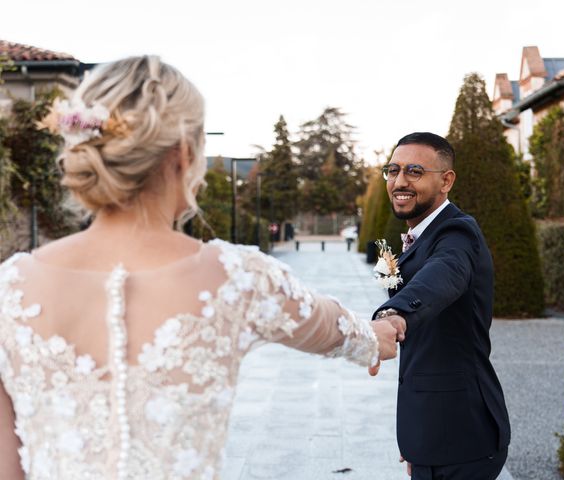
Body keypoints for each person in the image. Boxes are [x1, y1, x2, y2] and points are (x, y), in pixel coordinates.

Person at [0, 56, 401, 479]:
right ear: (185, 153)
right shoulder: (234, 276)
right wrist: (374, 338)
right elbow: (326, 325)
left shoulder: (11, 287)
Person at [372, 132, 510, 480]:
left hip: (464, 438)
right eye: (393, 170)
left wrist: (395, 314)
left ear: (446, 181)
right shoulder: (420, 236)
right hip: (432, 434)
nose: (399, 181)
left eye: (415, 171)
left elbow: (442, 276)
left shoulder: (458, 234)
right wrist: (418, 440)